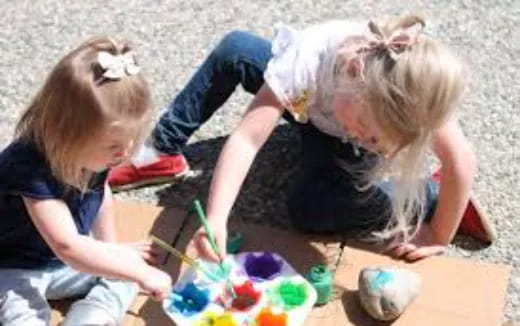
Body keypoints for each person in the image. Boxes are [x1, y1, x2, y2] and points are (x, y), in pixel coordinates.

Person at [109, 14, 495, 263]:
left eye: (380, 144)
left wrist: (438, 231)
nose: (372, 142)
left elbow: (461, 158)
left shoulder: (413, 92)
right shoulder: (308, 58)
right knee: (236, 50)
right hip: (305, 105)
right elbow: (246, 139)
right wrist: (217, 219)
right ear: (354, 74)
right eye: (370, 134)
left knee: (311, 210)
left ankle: (429, 195)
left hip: (336, 143)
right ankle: (162, 151)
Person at [0, 37, 172, 326]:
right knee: (23, 318)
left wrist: (112, 249)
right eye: (113, 145)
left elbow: (99, 192)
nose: (125, 151)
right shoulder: (27, 166)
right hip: (13, 267)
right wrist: (140, 273)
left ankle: (90, 318)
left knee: (126, 274)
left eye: (130, 139)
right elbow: (67, 245)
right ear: (66, 133)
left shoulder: (95, 153)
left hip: (64, 263)